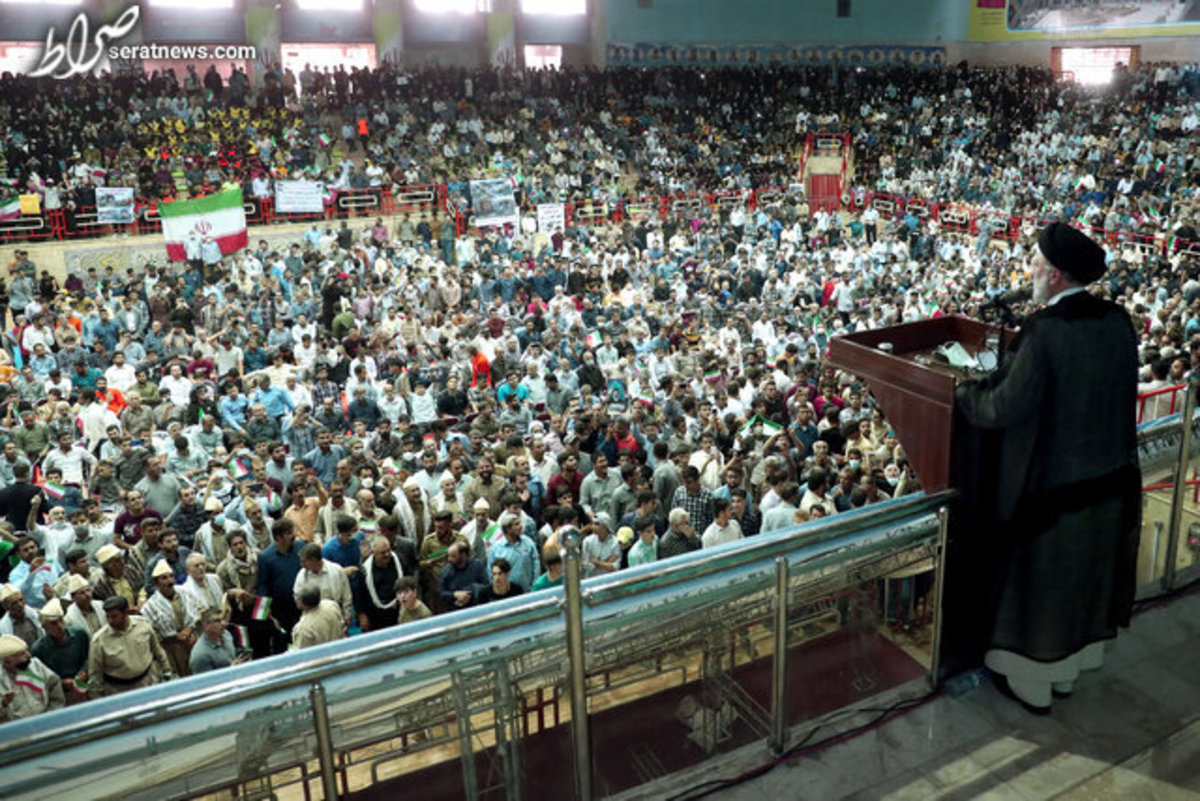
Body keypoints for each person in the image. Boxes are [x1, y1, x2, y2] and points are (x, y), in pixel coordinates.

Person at [955, 223, 1141, 714]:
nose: (1030, 269)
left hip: (1052, 491)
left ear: (1055, 274)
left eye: (1035, 261)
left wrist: (963, 392)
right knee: (1084, 582)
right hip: (1109, 481)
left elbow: (1003, 408)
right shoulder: (1119, 320)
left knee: (1043, 590)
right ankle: (1066, 676)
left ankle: (1033, 681)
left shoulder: (1047, 330)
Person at [87, 596, 172, 698]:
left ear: (126, 612)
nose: (110, 621)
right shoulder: (99, 640)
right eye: (107, 617)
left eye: (114, 616)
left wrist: (167, 670)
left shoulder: (143, 625)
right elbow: (95, 674)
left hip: (148, 682)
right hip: (119, 691)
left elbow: (157, 650)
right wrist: (97, 698)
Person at [0, 633, 66, 721]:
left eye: (26, 651)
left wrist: (52, 715)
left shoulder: (36, 666)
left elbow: (54, 687)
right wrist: (3, 704)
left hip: (47, 720)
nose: (28, 655)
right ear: (7, 662)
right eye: (21, 654)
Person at [190, 609, 247, 674]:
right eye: (217, 621)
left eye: (223, 619)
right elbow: (206, 682)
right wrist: (230, 670)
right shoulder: (200, 655)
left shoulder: (226, 634)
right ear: (205, 625)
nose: (224, 623)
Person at [291, 584, 344, 649]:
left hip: (322, 657)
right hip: (340, 650)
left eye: (297, 597)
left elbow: (301, 654)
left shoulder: (303, 628)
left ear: (302, 603)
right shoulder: (332, 605)